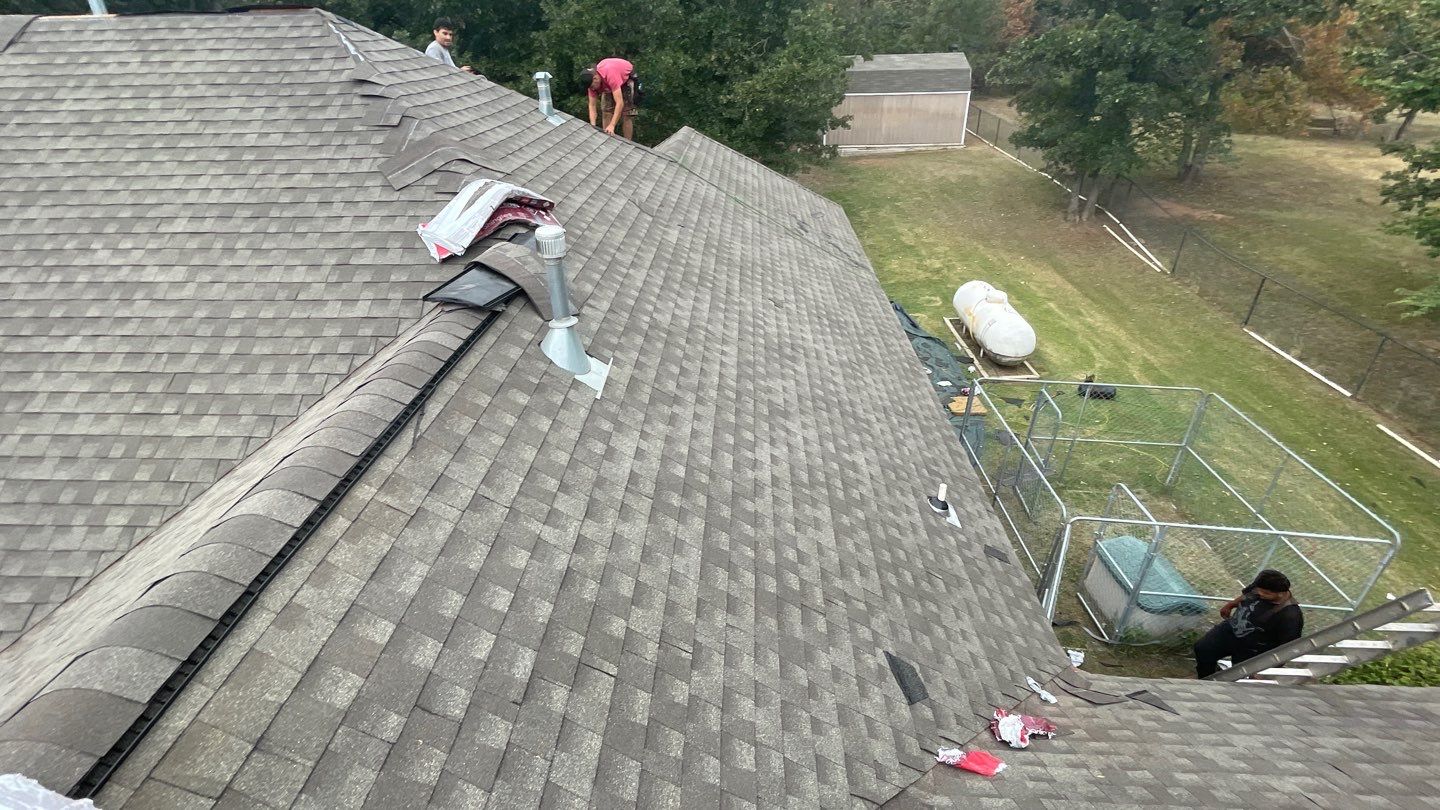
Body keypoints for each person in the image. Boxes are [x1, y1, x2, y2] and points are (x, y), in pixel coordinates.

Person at [1193, 569, 1304, 678]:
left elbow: (1287, 648)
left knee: (1236, 675)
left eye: (1266, 593)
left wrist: (1267, 669)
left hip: (1251, 649)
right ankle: (1206, 680)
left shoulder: (1290, 616)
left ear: (1280, 593)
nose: (1259, 594)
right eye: (1258, 590)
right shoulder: (1260, 585)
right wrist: (1231, 605)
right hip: (1230, 630)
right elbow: (1246, 595)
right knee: (1203, 649)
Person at [581, 58, 637, 140]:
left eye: (592, 86)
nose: (592, 89)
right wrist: (592, 125)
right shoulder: (591, 85)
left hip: (626, 79)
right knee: (606, 111)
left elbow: (619, 103)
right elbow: (592, 106)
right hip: (608, 83)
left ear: (595, 78)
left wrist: (612, 125)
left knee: (626, 114)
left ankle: (628, 142)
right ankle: (607, 137)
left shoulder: (610, 75)